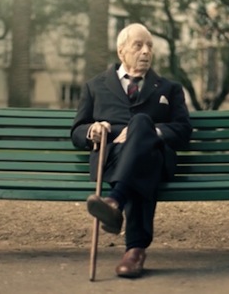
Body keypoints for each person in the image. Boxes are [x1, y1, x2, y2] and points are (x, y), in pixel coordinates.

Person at [70, 23, 192, 278]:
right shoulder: (95, 86)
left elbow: (182, 131)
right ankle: (135, 250)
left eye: (150, 46)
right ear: (121, 51)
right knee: (140, 163)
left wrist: (146, 133)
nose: (146, 51)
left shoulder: (169, 88)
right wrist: (93, 130)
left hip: (155, 157)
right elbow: (77, 131)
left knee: (141, 124)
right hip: (111, 156)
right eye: (138, 45)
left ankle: (115, 200)